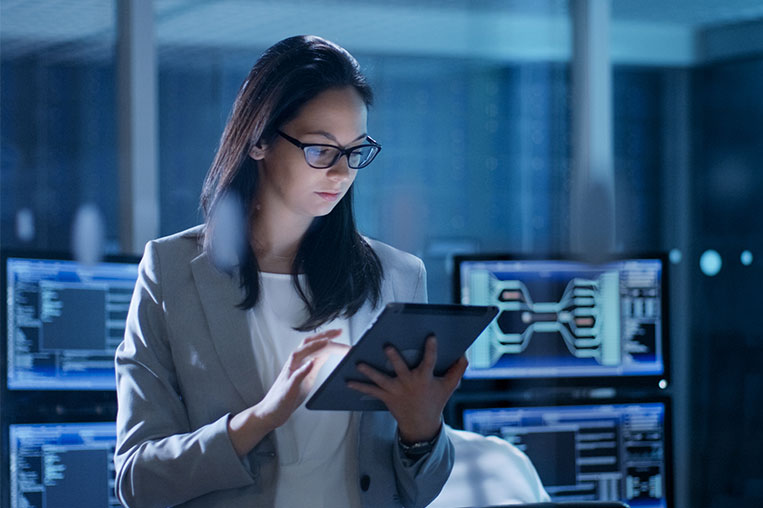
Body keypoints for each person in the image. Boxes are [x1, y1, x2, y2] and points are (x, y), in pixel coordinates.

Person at [114, 35, 467, 508]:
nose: (342, 174)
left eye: (355, 151)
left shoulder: (398, 276)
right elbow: (137, 482)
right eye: (321, 150)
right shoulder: (173, 271)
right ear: (259, 140)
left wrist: (422, 430)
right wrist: (260, 418)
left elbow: (420, 492)